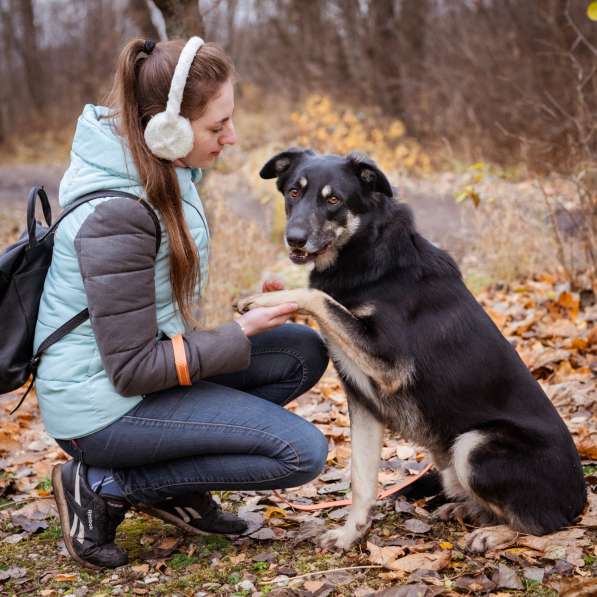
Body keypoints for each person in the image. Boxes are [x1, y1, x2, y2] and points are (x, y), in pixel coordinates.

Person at [33, 37, 329, 570]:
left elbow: (158, 314)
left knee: (301, 351)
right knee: (300, 453)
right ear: (165, 127)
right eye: (217, 127)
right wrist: (240, 334)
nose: (232, 138)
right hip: (100, 410)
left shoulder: (165, 172)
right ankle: (104, 485)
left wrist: (252, 311)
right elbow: (130, 369)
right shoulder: (118, 215)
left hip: (135, 380)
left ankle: (173, 485)